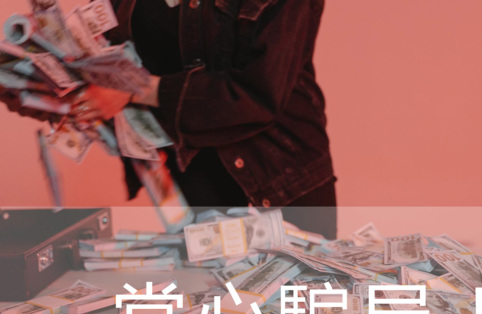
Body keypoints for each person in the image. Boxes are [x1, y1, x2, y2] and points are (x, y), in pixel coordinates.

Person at [1, 0, 338, 238]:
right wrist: (41, 77)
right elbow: (103, 60)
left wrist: (133, 89)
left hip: (279, 174)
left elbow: (258, 94)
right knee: (212, 309)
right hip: (189, 175)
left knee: (300, 308)